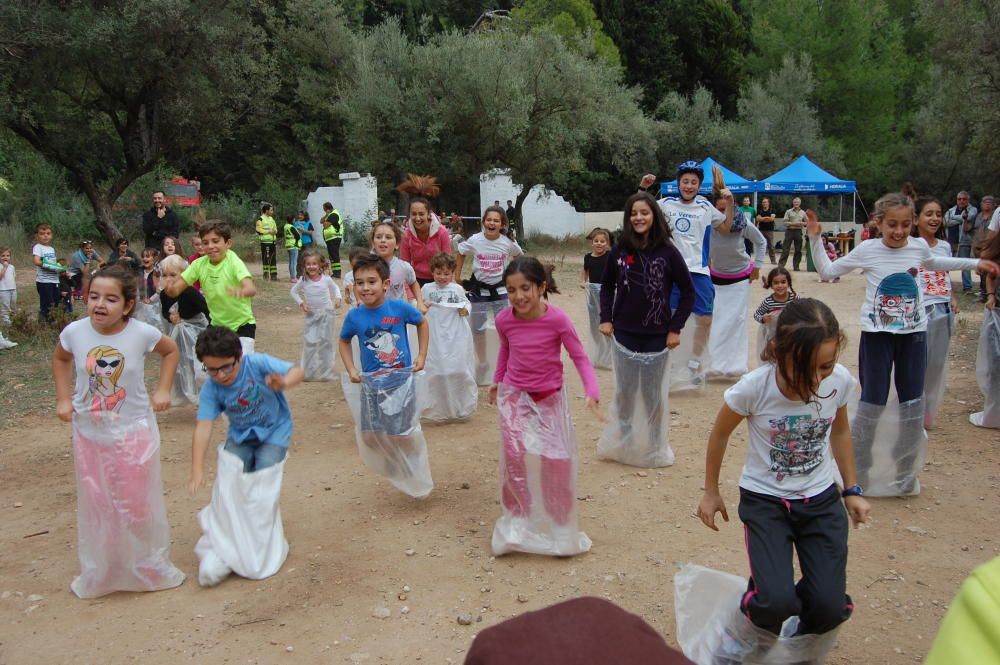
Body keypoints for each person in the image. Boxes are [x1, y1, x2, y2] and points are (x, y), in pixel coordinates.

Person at [697, 298, 871, 654]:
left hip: (821, 501)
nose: (815, 380)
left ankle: (798, 645)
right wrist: (710, 492)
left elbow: (840, 432)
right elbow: (719, 433)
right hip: (766, 504)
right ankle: (738, 638)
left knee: (828, 606)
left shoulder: (837, 381)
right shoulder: (753, 388)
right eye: (804, 368)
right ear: (778, 352)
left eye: (824, 367)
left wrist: (851, 488)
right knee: (774, 602)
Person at [808, 193, 999, 494]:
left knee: (913, 402)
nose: (899, 232)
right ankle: (860, 472)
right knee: (873, 400)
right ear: (879, 223)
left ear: (913, 224)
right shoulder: (867, 249)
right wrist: (815, 239)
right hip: (878, 338)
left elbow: (937, 262)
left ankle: (904, 472)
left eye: (906, 225)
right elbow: (827, 272)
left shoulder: (918, 246)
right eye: (892, 225)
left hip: (914, 336)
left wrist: (978, 263)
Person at [51, 264, 185, 598]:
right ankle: (106, 566)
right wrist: (64, 399)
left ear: (127, 305)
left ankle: (146, 561)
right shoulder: (75, 332)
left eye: (110, 299)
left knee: (136, 503)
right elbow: (60, 359)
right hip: (89, 433)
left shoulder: (141, 333)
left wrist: (164, 389)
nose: (99, 304)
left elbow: (171, 351)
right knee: (99, 502)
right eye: (93, 296)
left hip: (133, 431)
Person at [489, 256, 602, 556]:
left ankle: (561, 524)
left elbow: (578, 356)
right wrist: (497, 381)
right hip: (515, 397)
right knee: (514, 459)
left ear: (541, 287)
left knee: (557, 460)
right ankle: (517, 520)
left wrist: (592, 389)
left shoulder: (558, 320)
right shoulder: (504, 320)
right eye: (511, 290)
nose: (518, 296)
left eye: (525, 288)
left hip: (549, 398)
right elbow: (506, 350)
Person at [189, 325, 304, 586]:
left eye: (226, 367)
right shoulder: (212, 388)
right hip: (241, 437)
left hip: (275, 432)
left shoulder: (256, 363)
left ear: (239, 357)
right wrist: (197, 468)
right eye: (212, 369)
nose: (220, 375)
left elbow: (297, 371)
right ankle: (232, 540)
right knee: (230, 483)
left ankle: (261, 544)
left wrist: (283, 382)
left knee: (263, 482)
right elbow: (204, 426)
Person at [597, 192, 694, 467]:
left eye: (645, 212)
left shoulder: (668, 251)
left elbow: (687, 291)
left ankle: (654, 444)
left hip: (657, 335)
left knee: (653, 393)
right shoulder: (618, 250)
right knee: (625, 392)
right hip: (624, 333)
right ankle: (624, 441)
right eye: (633, 213)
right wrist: (606, 317)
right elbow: (607, 286)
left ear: (654, 216)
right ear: (628, 218)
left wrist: (675, 328)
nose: (639, 218)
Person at [337, 254, 432, 497]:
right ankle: (394, 457)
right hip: (371, 384)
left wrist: (421, 356)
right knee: (369, 437)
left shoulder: (399, 308)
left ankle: (409, 461)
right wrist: (351, 369)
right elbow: (344, 340)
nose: (365, 288)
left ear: (386, 284)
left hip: (401, 381)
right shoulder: (355, 316)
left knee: (400, 433)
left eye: (372, 282)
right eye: (360, 283)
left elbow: (422, 323)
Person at [638, 162, 734, 383]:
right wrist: (643, 188)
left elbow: (726, 228)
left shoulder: (705, 207)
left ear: (699, 185)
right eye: (685, 181)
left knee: (705, 319)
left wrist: (729, 203)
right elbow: (639, 210)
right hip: (669, 271)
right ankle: (667, 364)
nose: (689, 186)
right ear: (678, 183)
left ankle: (694, 364)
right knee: (665, 317)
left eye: (693, 182)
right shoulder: (665, 204)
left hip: (699, 272)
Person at [163, 220, 258, 353]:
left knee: (241, 366)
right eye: (205, 242)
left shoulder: (233, 261)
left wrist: (241, 291)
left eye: (215, 241)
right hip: (216, 325)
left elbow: (251, 289)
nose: (210, 246)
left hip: (242, 325)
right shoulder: (198, 264)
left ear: (228, 243)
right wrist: (169, 288)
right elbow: (176, 289)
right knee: (206, 368)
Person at [456, 206, 524, 383]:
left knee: (505, 326)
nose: (492, 223)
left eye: (496, 220)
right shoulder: (475, 240)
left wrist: (516, 278)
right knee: (478, 328)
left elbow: (520, 257)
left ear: (502, 224)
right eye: (489, 219)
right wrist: (457, 275)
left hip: (500, 290)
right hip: (479, 290)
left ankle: (508, 364)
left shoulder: (507, 242)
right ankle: (483, 362)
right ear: (483, 221)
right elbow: (461, 251)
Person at [911, 197, 959, 429]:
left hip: (944, 310)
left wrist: (952, 297)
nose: (935, 219)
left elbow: (946, 275)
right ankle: (912, 408)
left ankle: (928, 409)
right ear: (916, 218)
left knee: (937, 364)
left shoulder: (944, 246)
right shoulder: (910, 245)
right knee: (918, 361)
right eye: (929, 214)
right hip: (921, 311)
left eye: (938, 214)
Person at [707, 196, 765, 376]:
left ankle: (735, 366)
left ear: (733, 208)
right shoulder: (708, 224)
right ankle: (713, 365)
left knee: (736, 322)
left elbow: (761, 241)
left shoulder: (743, 223)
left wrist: (757, 267)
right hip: (715, 277)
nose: (723, 213)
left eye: (727, 208)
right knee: (716, 322)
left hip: (740, 278)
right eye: (719, 209)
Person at [420, 252, 477, 422]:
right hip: (435, 335)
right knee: (436, 370)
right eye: (438, 273)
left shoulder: (457, 289)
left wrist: (465, 310)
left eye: (446, 273)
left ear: (452, 273)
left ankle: (461, 407)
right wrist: (423, 306)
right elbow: (418, 306)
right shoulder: (427, 289)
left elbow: (466, 304)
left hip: (455, 335)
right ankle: (438, 409)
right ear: (432, 272)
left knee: (458, 368)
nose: (442, 277)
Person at [158, 255, 210, 405]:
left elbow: (206, 311)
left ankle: (206, 394)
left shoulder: (190, 293)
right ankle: (184, 392)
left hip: (196, 332)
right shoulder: (164, 295)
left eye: (173, 275)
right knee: (181, 363)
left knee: (198, 364)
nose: (169, 279)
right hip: (178, 334)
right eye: (165, 275)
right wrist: (170, 317)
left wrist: (209, 332)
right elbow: (164, 313)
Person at [290, 249, 342, 381]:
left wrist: (338, 298)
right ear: (304, 266)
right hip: (311, 315)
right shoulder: (303, 280)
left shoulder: (326, 279)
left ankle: (326, 372)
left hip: (327, 314)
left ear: (320, 266)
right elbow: (293, 292)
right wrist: (302, 303)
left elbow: (335, 288)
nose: (311, 267)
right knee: (310, 342)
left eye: (314, 264)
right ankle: (308, 372)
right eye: (308, 264)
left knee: (326, 342)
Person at [371, 221, 427, 312]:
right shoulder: (366, 266)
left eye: (388, 237)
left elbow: (413, 282)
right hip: (373, 314)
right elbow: (357, 284)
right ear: (373, 243)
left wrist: (419, 302)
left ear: (397, 244)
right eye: (378, 237)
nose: (383, 240)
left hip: (396, 316)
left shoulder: (403, 267)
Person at [400, 192, 452, 287]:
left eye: (421, 214)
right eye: (414, 214)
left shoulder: (442, 233)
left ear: (428, 214)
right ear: (409, 215)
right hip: (415, 281)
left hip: (439, 279)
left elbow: (448, 262)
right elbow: (405, 266)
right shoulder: (406, 236)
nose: (417, 218)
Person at [753, 266, 796, 360]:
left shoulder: (794, 299)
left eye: (783, 282)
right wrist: (763, 319)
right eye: (776, 283)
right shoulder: (768, 302)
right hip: (773, 335)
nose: (780, 285)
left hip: (791, 333)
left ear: (788, 283)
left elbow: (803, 311)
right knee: (774, 358)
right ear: (771, 285)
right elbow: (756, 314)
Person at [32, 223, 72, 322]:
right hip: (44, 281)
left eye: (48, 233)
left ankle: (53, 322)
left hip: (54, 280)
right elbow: (37, 261)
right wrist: (48, 265)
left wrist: (61, 269)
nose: (45, 235)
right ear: (37, 235)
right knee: (47, 304)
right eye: (42, 233)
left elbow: (54, 265)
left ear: (51, 235)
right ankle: (44, 324)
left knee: (55, 302)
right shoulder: (38, 247)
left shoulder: (51, 249)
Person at [944, 191, 977, 263]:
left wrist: (952, 217)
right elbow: (945, 222)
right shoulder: (951, 210)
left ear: (968, 200)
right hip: (950, 241)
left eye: (964, 199)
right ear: (957, 200)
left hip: (964, 242)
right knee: (947, 264)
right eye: (959, 199)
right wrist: (961, 219)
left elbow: (969, 217)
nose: (961, 201)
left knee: (965, 266)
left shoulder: (972, 209)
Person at [972, 195, 995, 302]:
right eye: (985, 201)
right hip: (978, 247)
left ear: (994, 204)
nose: (987, 203)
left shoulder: (995, 216)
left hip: (991, 247)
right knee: (981, 271)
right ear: (981, 204)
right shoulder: (978, 216)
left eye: (990, 201)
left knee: (989, 271)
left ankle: (990, 293)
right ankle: (983, 292)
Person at [779, 197, 807, 271]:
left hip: (798, 232)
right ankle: (781, 266)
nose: (796, 204)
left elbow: (807, 223)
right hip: (789, 232)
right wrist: (796, 223)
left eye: (797, 202)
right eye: (795, 202)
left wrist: (803, 223)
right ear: (793, 203)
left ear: (800, 203)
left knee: (798, 250)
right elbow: (785, 222)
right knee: (785, 249)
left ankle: (796, 266)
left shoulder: (803, 212)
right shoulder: (788, 211)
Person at [255, 203, 279, 282]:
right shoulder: (260, 219)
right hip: (265, 243)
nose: (272, 211)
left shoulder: (272, 219)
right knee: (266, 259)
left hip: (272, 242)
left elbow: (275, 228)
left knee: (273, 259)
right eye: (271, 210)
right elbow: (258, 231)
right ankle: (266, 275)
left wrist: (275, 231)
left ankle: (274, 276)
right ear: (266, 210)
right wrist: (269, 231)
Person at [320, 202, 344, 277]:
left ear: (326, 208)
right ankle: (335, 272)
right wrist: (326, 215)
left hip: (334, 237)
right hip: (331, 238)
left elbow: (325, 225)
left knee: (334, 255)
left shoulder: (334, 214)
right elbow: (321, 221)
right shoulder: (330, 214)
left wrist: (325, 221)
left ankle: (337, 273)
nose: (323, 210)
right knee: (332, 256)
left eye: (323, 208)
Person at [756, 197, 777, 263]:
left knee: (771, 246)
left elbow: (772, 219)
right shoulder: (760, 211)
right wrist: (767, 218)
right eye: (763, 202)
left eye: (765, 202)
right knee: (760, 245)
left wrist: (762, 218)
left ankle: (773, 260)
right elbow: (758, 219)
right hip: (761, 230)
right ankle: (759, 260)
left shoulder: (772, 210)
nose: (764, 203)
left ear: (768, 203)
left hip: (770, 230)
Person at [282, 215, 302, 282]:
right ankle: (293, 277)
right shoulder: (291, 227)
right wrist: (299, 232)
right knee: (294, 262)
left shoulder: (286, 226)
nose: (294, 221)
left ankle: (292, 277)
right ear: (292, 220)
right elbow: (297, 236)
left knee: (291, 262)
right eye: (294, 219)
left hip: (288, 245)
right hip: (293, 245)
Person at [0, 246, 16, 327]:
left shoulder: (12, 267)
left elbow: (13, 277)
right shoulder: (1, 266)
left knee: (13, 306)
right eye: (3, 256)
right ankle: (8, 324)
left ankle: (14, 321)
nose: (5, 257)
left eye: (7, 255)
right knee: (5, 308)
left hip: (12, 289)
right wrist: (4, 267)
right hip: (3, 290)